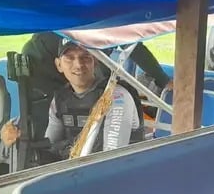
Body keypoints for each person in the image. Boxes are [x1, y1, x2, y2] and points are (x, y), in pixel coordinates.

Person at [21, 32, 171, 135]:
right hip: (41, 63)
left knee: (98, 94)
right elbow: (134, 49)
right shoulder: (107, 12)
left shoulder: (117, 23)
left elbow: (134, 47)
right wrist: (164, 80)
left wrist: (164, 80)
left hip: (72, 56)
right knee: (58, 113)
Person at [43, 39, 145, 161]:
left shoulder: (116, 95)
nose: (78, 65)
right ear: (59, 65)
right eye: (70, 58)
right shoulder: (60, 100)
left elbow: (111, 157)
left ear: (95, 62)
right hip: (76, 171)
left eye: (85, 57)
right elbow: (51, 146)